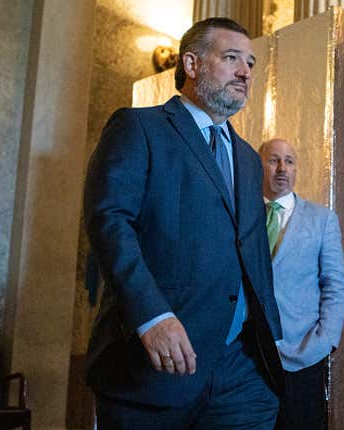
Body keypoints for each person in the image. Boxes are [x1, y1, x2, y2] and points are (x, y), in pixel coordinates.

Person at [84, 17, 284, 430]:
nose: (245, 71)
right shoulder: (139, 128)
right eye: (231, 58)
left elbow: (251, 251)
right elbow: (110, 222)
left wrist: (270, 338)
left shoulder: (248, 158)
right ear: (191, 65)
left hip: (239, 373)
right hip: (156, 368)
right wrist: (152, 317)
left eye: (250, 62)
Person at [259, 138, 344, 430]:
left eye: (290, 161)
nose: (282, 168)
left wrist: (325, 342)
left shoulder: (322, 219)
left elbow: (335, 286)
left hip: (302, 354)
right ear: (259, 166)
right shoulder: (242, 217)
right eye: (273, 160)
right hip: (247, 356)